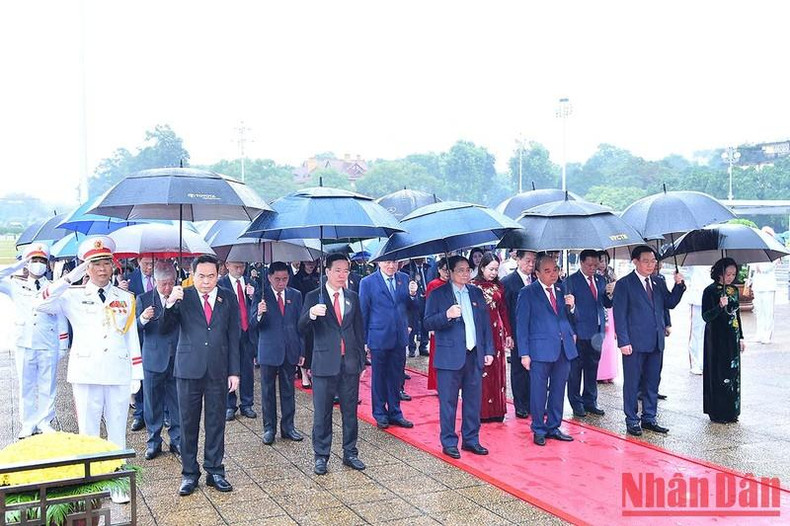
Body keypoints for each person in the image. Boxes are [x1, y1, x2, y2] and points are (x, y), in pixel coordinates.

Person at [38, 237, 143, 504]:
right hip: (87, 372)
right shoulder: (71, 296)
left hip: (118, 371)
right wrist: (69, 277)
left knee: (118, 429)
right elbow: (40, 303)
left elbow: (132, 337)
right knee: (88, 430)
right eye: (95, 263)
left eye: (106, 262)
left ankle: (117, 480)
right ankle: (92, 484)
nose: (101, 269)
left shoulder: (126, 298)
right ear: (87, 267)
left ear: (113, 266)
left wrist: (136, 374)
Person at [162, 254, 241, 496]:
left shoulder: (228, 298)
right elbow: (164, 329)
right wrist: (169, 304)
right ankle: (189, 473)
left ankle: (215, 469)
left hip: (218, 369)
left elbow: (234, 337)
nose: (206, 281)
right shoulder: (182, 297)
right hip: (188, 369)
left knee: (216, 422)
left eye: (211, 276)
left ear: (219, 275)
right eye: (201, 276)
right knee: (187, 423)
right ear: (192, 275)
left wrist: (234, 371)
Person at [298, 254, 366, 475]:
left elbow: (358, 329)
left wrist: (361, 361)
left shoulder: (352, 297)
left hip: (350, 363)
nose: (342, 275)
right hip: (324, 362)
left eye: (346, 270)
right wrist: (311, 314)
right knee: (322, 413)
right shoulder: (313, 297)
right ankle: (321, 455)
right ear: (327, 271)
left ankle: (350, 452)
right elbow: (300, 327)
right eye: (337, 270)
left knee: (350, 411)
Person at [424, 255, 494, 459]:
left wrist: (488, 350)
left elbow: (484, 324)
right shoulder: (438, 294)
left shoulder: (476, 293)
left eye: (468, 270)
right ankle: (449, 441)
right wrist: (447, 315)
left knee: (473, 401)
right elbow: (427, 323)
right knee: (448, 402)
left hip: (474, 354)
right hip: (449, 357)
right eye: (460, 270)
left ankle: (471, 439)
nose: (465, 274)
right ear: (451, 272)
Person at [613, 246, 685, 437]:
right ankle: (632, 419)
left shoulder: (659, 281)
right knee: (632, 382)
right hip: (634, 343)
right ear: (635, 262)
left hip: (655, 340)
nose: (650, 265)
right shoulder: (625, 284)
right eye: (646, 261)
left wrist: (679, 286)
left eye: (653, 261)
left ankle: (649, 417)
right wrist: (623, 341)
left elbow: (669, 303)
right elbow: (619, 315)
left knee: (653, 381)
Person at [0, 244, 69, 438]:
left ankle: (45, 421)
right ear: (27, 263)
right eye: (33, 261)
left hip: (48, 341)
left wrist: (63, 343)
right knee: (26, 384)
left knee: (48, 384)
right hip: (24, 341)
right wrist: (17, 266)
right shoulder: (15, 284)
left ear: (47, 265)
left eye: (41, 261)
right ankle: (28, 423)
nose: (38, 265)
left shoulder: (52, 286)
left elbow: (62, 315)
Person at [517, 253, 578, 446]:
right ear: (537, 273)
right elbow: (521, 325)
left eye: (555, 270)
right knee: (538, 390)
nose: (553, 274)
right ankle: (538, 428)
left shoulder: (562, 290)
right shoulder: (527, 293)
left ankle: (553, 426)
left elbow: (571, 319)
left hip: (563, 348)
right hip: (539, 349)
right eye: (547, 271)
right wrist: (524, 353)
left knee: (559, 389)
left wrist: (572, 307)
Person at [249, 261, 304, 445]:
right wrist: (259, 313)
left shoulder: (295, 295)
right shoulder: (261, 295)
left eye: (285, 279)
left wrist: (302, 350)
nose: (281, 283)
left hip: (290, 348)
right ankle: (269, 428)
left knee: (288, 390)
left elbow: (300, 324)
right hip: (269, 349)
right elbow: (253, 324)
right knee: (267, 391)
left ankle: (288, 426)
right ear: (270, 277)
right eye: (278, 279)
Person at [359, 259, 418, 430]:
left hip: (399, 335)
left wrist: (413, 295)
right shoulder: (367, 282)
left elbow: (412, 307)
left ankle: (395, 411)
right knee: (379, 377)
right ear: (379, 263)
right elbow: (364, 311)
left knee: (396, 376)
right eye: (387, 262)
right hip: (378, 336)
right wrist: (363, 340)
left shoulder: (404, 278)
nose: (391, 266)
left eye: (394, 262)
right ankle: (379, 412)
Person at [136, 261, 181, 460]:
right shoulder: (144, 299)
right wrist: (143, 319)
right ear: (155, 281)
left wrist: (173, 301)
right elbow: (134, 329)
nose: (167, 288)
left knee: (176, 401)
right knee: (152, 402)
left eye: (170, 283)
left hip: (176, 356)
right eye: (163, 284)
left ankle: (177, 439)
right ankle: (153, 441)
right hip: (153, 358)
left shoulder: (180, 297)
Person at [566, 250, 613, 417]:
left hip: (597, 331)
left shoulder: (601, 280)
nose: (593, 268)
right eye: (589, 265)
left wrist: (609, 293)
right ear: (581, 263)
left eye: (595, 264)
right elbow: (566, 310)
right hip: (579, 331)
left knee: (592, 368)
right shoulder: (571, 281)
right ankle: (576, 402)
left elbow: (607, 304)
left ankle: (590, 400)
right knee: (575, 369)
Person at [702, 258, 745, 423]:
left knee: (733, 373)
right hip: (716, 337)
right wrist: (719, 306)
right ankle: (718, 411)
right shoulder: (710, 291)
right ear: (720, 273)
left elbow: (737, 315)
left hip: (732, 337)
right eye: (728, 274)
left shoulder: (734, 290)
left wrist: (741, 336)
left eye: (734, 274)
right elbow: (706, 316)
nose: (731, 277)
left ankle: (732, 411)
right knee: (718, 372)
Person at [472, 252, 512, 422]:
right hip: (480, 332)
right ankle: (482, 412)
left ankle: (498, 410)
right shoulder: (473, 286)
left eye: (496, 269)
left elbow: (503, 310)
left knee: (498, 370)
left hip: (497, 333)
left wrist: (509, 333)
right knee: (483, 371)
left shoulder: (499, 287)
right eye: (491, 269)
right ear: (482, 268)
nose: (494, 273)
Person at [219, 261, 257, 421]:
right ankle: (229, 404)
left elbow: (257, 306)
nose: (239, 269)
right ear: (228, 265)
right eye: (236, 266)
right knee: (229, 368)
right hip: (229, 331)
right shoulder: (221, 283)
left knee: (247, 368)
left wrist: (252, 296)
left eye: (242, 266)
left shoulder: (251, 282)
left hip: (247, 330)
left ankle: (247, 403)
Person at [500, 250, 536, 418]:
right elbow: (504, 310)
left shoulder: (537, 280)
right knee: (519, 368)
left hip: (536, 332)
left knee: (536, 369)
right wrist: (508, 333)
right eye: (527, 261)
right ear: (518, 260)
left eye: (533, 261)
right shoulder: (508, 282)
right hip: (516, 332)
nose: (531, 264)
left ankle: (533, 402)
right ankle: (520, 404)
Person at [748, 229, 778, 344]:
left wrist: (759, 266)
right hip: (758, 284)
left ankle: (767, 334)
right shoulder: (756, 251)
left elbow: (766, 268)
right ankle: (759, 333)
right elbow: (752, 266)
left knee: (768, 311)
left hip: (769, 285)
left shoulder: (774, 252)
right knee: (759, 310)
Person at [424, 257, 449, 391]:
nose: (447, 273)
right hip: (437, 321)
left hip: (451, 322)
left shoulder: (453, 283)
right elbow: (429, 305)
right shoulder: (433, 284)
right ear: (439, 270)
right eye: (444, 270)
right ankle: (438, 384)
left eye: (449, 270)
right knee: (436, 354)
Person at [596, 251, 618, 383]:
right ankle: (601, 374)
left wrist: (614, 287)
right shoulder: (595, 275)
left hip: (610, 311)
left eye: (604, 260)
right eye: (600, 260)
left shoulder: (611, 273)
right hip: (600, 311)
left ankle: (610, 373)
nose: (602, 264)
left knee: (610, 344)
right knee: (601, 344)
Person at [687, 265, 712, 375]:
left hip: (713, 297)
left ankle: (706, 361)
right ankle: (695, 363)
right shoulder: (693, 254)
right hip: (697, 298)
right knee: (696, 332)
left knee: (710, 332)